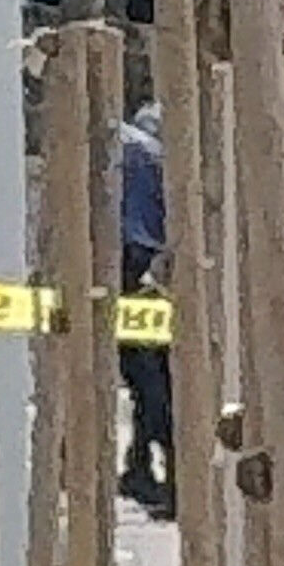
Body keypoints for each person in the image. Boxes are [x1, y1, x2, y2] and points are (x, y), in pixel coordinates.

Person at [114, 105, 174, 517]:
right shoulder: (151, 157)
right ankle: (163, 475)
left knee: (143, 379)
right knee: (159, 384)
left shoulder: (124, 148)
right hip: (148, 268)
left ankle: (139, 465)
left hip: (118, 266)